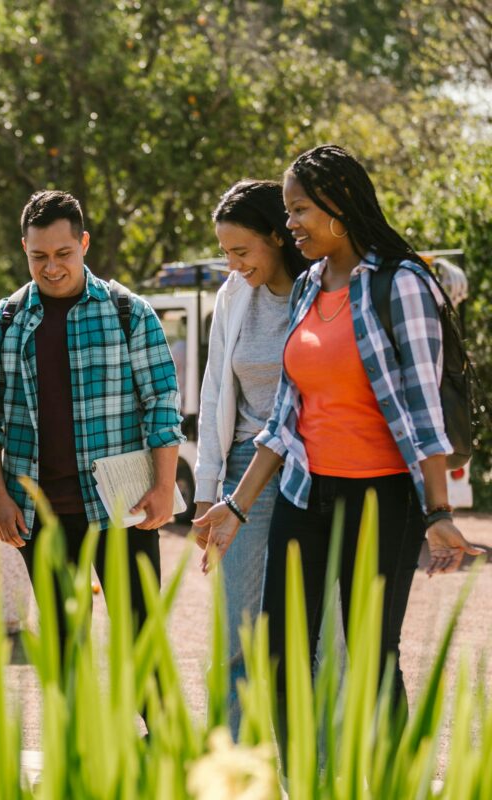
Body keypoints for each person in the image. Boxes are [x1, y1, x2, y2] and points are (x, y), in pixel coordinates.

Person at [194, 144, 482, 739]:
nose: (290, 222)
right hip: (306, 493)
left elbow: (423, 412)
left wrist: (438, 511)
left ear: (340, 205)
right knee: (279, 653)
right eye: (289, 212)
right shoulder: (308, 289)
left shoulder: (400, 284)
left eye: (299, 210)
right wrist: (236, 506)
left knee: (373, 658)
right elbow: (284, 418)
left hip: (382, 499)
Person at [0, 189, 184, 655]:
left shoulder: (129, 312)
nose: (51, 267)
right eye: (38, 256)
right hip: (38, 512)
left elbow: (162, 402)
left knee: (141, 636)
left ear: (84, 243)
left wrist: (165, 487)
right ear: (24, 249)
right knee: (65, 645)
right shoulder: (0, 323)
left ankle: (161, 730)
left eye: (63, 253)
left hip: (121, 506)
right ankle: (80, 730)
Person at [191, 180, 308, 736]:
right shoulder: (234, 295)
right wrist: (208, 488)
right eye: (225, 253)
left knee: (309, 625)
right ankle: (231, 760)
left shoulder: (319, 291)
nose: (233, 265)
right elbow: (216, 389)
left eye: (242, 251)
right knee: (238, 626)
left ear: (277, 237)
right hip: (244, 474)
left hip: (310, 472)